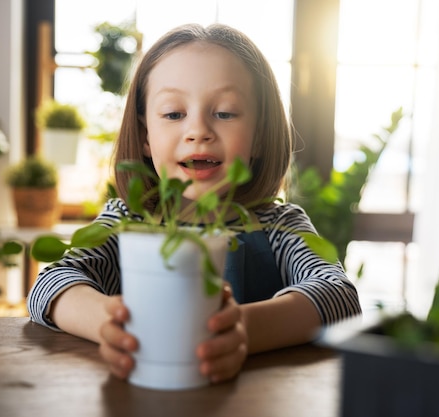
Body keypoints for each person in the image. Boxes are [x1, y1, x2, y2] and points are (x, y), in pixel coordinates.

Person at [27, 23, 361, 384]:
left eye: (225, 112)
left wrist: (240, 330)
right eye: (173, 114)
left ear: (260, 136)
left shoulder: (279, 224)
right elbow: (50, 285)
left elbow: (338, 296)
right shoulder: (127, 220)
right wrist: (106, 321)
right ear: (145, 138)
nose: (198, 130)